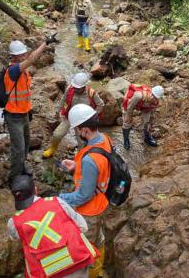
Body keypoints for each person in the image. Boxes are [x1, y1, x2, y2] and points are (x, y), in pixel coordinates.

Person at [58, 104, 112, 278]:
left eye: (78, 130)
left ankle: (92, 273)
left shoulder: (90, 159)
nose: (77, 133)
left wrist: (60, 199)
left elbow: (84, 195)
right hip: (103, 201)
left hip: (90, 211)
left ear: (85, 130)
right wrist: (76, 166)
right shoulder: (104, 139)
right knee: (99, 239)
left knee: (86, 248)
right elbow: (100, 168)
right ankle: (99, 269)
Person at [7, 175, 97, 278]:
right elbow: (84, 227)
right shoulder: (57, 201)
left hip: (46, 272)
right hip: (77, 261)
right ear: (36, 190)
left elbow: (15, 238)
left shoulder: (13, 222)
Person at [5, 37, 57, 181]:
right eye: (21, 54)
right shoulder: (13, 70)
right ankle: (14, 178)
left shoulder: (21, 70)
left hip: (23, 113)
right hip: (13, 116)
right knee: (18, 149)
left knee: (26, 143)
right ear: (14, 56)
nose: (25, 56)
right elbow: (32, 59)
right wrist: (45, 44)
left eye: (24, 53)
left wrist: (29, 110)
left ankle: (22, 166)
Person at [43, 71, 105, 158]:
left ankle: (80, 156)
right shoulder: (70, 89)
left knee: (82, 142)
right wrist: (58, 112)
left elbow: (100, 105)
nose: (76, 89)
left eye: (78, 88)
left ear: (84, 86)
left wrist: (92, 116)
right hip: (69, 116)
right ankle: (52, 149)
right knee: (57, 134)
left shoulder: (91, 93)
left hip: (83, 121)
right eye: (75, 87)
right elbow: (63, 101)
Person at [121, 84, 164, 150]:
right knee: (127, 121)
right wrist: (129, 116)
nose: (153, 99)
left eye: (156, 98)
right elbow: (129, 107)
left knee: (147, 121)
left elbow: (151, 112)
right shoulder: (138, 95)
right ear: (151, 93)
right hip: (130, 101)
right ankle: (126, 140)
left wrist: (149, 123)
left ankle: (147, 138)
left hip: (144, 104)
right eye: (153, 96)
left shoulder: (155, 102)